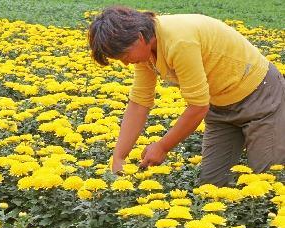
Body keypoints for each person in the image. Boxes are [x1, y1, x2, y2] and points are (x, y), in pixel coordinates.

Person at [88, 6, 285, 186]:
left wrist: (163, 147)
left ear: (139, 37)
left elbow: (198, 106)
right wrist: (119, 157)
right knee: (211, 187)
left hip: (261, 97)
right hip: (220, 106)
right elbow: (140, 101)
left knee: (267, 181)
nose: (125, 63)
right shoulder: (146, 52)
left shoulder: (180, 41)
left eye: (124, 56)